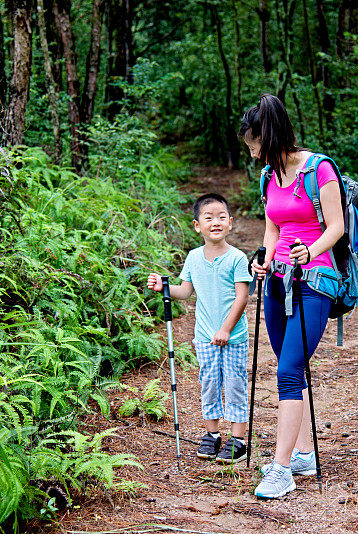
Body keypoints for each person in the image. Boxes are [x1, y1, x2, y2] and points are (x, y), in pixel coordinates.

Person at [242, 94, 345, 498]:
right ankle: (304, 454)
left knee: (288, 370)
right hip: (277, 280)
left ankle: (281, 469)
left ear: (267, 136)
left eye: (253, 144)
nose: (252, 153)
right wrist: (263, 260)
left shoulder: (320, 169)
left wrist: (311, 251)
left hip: (315, 279)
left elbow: (335, 226)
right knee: (289, 368)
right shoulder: (270, 176)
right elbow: (272, 229)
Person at [147, 193, 251, 463]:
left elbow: (242, 297)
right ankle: (212, 435)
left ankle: (238, 439)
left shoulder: (237, 258)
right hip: (204, 335)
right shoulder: (193, 257)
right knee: (209, 383)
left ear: (230, 223)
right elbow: (185, 291)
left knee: (235, 383)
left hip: (234, 336)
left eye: (221, 217)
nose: (215, 222)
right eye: (208, 218)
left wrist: (227, 329)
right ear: (197, 226)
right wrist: (164, 288)